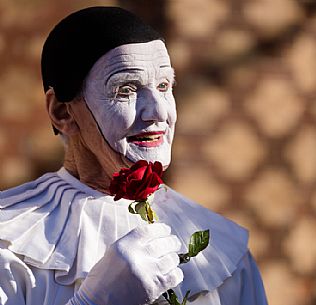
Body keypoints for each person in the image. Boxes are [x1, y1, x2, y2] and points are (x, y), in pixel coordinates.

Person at [0, 6, 268, 305]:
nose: (159, 112)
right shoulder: (9, 245)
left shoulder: (225, 255)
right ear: (62, 112)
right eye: (126, 89)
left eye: (165, 86)